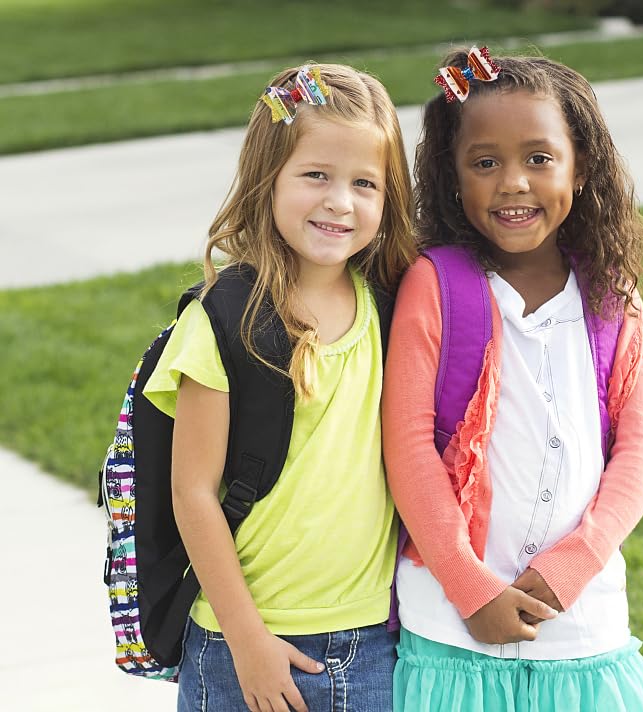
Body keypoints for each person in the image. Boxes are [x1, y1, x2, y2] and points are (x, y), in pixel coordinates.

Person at [382, 48, 643, 711]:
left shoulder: (612, 295)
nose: (513, 183)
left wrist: (575, 563)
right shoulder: (436, 285)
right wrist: (468, 586)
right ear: (453, 176)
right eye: (485, 163)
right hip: (452, 631)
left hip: (582, 624)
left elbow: (640, 451)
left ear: (581, 166)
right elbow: (408, 447)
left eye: (539, 158)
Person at [143, 63, 416, 712]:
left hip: (372, 640)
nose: (340, 201)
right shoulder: (223, 320)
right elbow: (193, 492)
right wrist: (247, 641)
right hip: (237, 645)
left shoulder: (394, 308)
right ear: (268, 178)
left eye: (365, 183)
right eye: (316, 174)